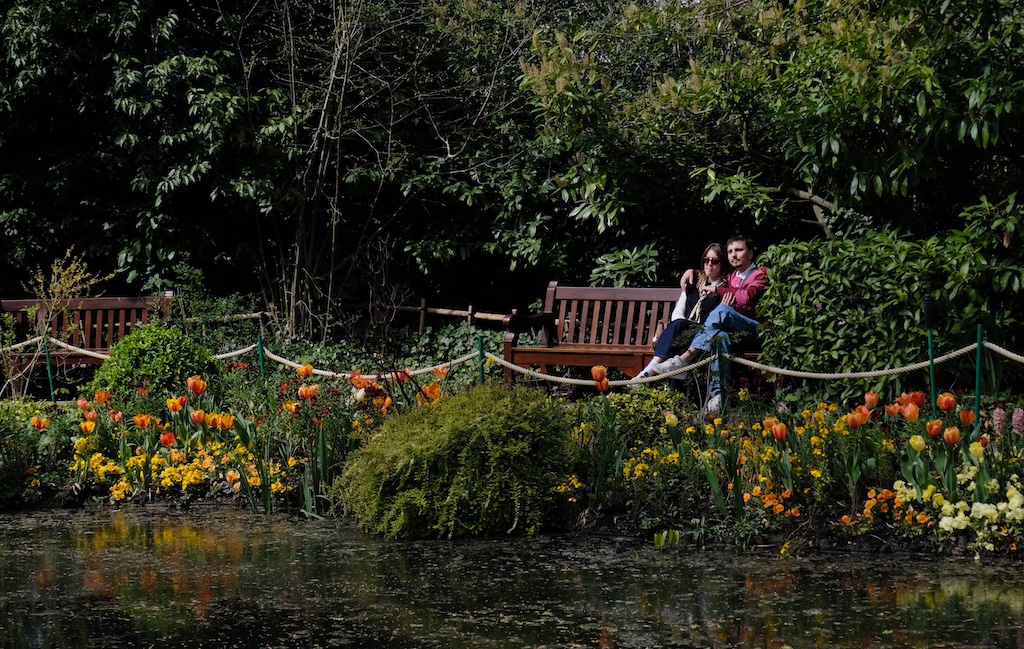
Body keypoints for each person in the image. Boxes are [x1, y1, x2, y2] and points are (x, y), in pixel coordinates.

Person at [644, 235, 767, 414]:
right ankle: (718, 397)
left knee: (722, 311)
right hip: (734, 335)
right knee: (720, 337)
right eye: (730, 251)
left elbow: (746, 297)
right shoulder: (732, 276)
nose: (734, 255)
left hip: (755, 332)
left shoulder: (760, 274)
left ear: (750, 253)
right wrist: (691, 271)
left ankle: (684, 360)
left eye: (739, 250)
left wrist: (717, 290)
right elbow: (709, 272)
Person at [636, 243, 726, 378]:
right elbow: (678, 313)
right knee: (678, 328)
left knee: (679, 330)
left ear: (723, 264)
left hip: (704, 334)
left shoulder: (723, 290)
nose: (709, 264)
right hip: (684, 330)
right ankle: (652, 370)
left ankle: (649, 372)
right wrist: (685, 328)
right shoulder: (692, 282)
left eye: (715, 261)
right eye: (706, 260)